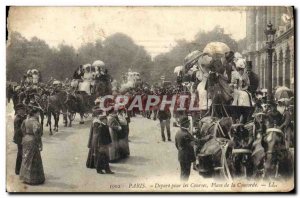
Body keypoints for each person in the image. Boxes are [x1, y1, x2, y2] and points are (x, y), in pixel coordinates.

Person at [19, 105, 45, 185]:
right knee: (34, 158)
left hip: (26, 139)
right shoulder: (35, 122)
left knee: (26, 157)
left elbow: (22, 129)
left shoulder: (26, 120)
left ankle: (24, 177)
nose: (39, 114)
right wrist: (40, 142)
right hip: (33, 140)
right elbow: (37, 133)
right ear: (35, 113)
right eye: (38, 113)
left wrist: (26, 136)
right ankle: (34, 179)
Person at [86, 107, 114, 174]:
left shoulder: (102, 123)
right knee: (99, 156)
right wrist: (99, 143)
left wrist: (109, 142)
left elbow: (107, 134)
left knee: (106, 156)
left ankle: (107, 169)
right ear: (98, 115)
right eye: (101, 113)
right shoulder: (97, 123)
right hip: (100, 143)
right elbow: (96, 135)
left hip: (104, 142)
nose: (102, 115)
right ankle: (99, 169)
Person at [175, 116, 196, 181]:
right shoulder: (185, 134)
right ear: (185, 124)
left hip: (181, 156)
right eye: (188, 123)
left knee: (183, 173)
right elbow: (193, 143)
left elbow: (176, 145)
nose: (189, 124)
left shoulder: (179, 132)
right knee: (186, 174)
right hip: (186, 157)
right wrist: (205, 139)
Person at [13, 104, 27, 175]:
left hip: (22, 138)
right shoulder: (18, 119)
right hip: (20, 138)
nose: (24, 111)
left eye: (24, 110)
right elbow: (19, 131)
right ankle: (17, 170)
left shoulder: (23, 117)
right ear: (18, 111)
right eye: (22, 110)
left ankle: (21, 169)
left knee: (22, 153)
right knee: (20, 154)